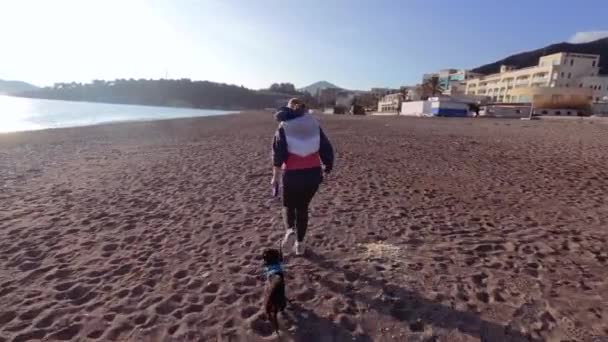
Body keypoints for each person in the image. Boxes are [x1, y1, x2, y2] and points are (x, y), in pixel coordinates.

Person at [271, 98, 334, 256]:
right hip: (313, 174)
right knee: (303, 208)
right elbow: (326, 146)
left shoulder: (284, 126)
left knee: (288, 206)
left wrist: (275, 177)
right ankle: (300, 244)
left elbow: (278, 155)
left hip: (292, 174)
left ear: (288, 109)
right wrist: (328, 165)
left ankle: (290, 230)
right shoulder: (313, 123)